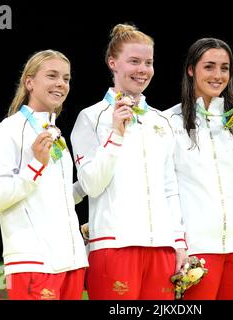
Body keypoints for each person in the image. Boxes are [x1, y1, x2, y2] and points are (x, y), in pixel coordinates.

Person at [70, 23, 187, 300]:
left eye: (148, 62)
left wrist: (179, 242)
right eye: (134, 61)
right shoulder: (91, 117)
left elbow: (170, 188)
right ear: (113, 63)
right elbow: (91, 184)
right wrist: (116, 134)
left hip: (162, 248)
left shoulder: (161, 121)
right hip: (113, 246)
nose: (142, 69)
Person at [163, 38, 233, 300]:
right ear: (191, 70)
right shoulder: (168, 122)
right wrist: (179, 243)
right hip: (198, 249)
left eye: (224, 68)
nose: (218, 75)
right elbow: (167, 190)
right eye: (209, 67)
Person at [0, 50, 88, 300]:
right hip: (33, 262)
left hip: (72, 261)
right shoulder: (6, 132)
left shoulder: (56, 133)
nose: (61, 84)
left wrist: (89, 187)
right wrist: (35, 166)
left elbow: (51, 196)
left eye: (66, 78)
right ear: (29, 82)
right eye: (52, 76)